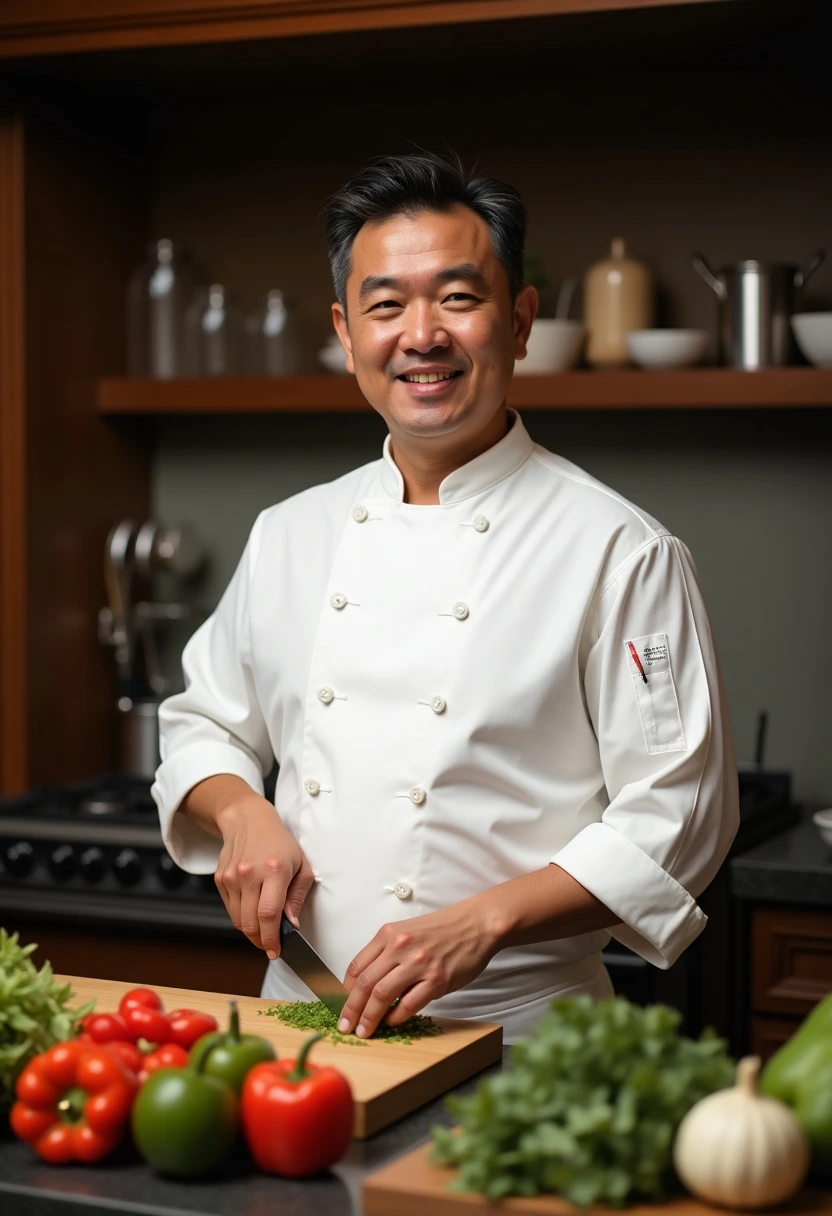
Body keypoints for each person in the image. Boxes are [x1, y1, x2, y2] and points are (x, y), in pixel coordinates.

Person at [152, 152, 739, 1044]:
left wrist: (485, 921)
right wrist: (241, 811)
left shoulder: (619, 549)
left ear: (521, 320)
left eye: (458, 298)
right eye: (386, 305)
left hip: (518, 1035)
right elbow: (202, 723)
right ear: (348, 335)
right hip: (296, 1022)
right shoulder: (291, 532)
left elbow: (678, 814)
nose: (421, 335)